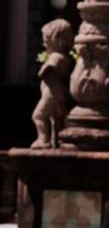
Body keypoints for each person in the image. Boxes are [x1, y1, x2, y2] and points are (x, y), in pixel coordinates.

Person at [31, 19, 74, 149]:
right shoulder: (67, 57)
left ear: (56, 39)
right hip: (59, 93)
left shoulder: (56, 56)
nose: (44, 43)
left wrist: (41, 71)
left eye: (46, 39)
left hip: (51, 94)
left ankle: (43, 140)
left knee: (38, 116)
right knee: (55, 119)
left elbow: (46, 70)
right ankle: (57, 140)